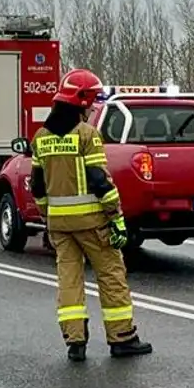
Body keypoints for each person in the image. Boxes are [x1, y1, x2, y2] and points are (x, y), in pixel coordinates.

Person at [29, 68, 152, 362]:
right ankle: (123, 339)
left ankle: (75, 343)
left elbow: (37, 186)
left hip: (59, 225)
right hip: (93, 222)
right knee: (111, 276)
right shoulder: (87, 135)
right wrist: (117, 219)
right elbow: (100, 181)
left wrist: (49, 216)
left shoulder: (41, 137)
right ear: (82, 100)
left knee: (69, 281)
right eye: (92, 98)